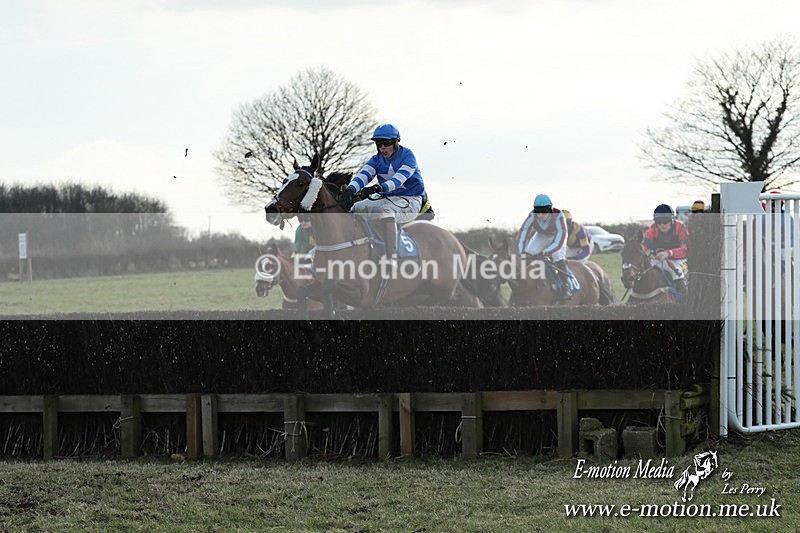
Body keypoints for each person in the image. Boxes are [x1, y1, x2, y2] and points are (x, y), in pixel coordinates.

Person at [338, 123, 427, 266]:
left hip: (411, 200)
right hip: (388, 199)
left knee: (387, 211)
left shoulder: (408, 156)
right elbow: (363, 175)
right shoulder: (376, 159)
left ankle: (391, 257)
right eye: (379, 144)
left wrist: (377, 188)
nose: (382, 148)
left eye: (386, 143)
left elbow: (398, 180)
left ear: (396, 142)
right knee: (355, 207)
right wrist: (350, 190)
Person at [517, 194, 572, 300]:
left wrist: (545, 252)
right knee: (528, 254)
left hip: (557, 236)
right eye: (538, 212)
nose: (541, 215)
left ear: (550, 209)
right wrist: (522, 251)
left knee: (557, 256)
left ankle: (566, 287)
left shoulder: (559, 215)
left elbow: (559, 241)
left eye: (544, 212)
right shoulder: (532, 215)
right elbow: (523, 232)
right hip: (541, 235)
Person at [642, 204, 689, 295]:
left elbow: (685, 250)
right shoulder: (652, 230)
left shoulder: (681, 228)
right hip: (659, 260)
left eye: (665, 221)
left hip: (680, 260)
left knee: (676, 271)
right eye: (658, 222)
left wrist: (669, 253)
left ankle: (684, 299)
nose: (662, 225)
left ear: (672, 220)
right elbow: (643, 246)